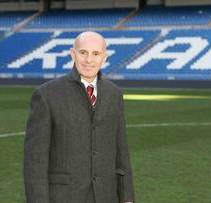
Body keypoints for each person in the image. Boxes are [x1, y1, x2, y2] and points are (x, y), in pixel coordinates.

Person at [24, 31, 135, 203]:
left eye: (96, 54)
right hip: (64, 197)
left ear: (104, 58)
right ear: (72, 54)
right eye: (83, 52)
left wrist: (127, 198)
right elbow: (35, 161)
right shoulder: (46, 95)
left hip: (107, 196)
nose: (89, 60)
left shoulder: (114, 94)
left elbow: (121, 150)